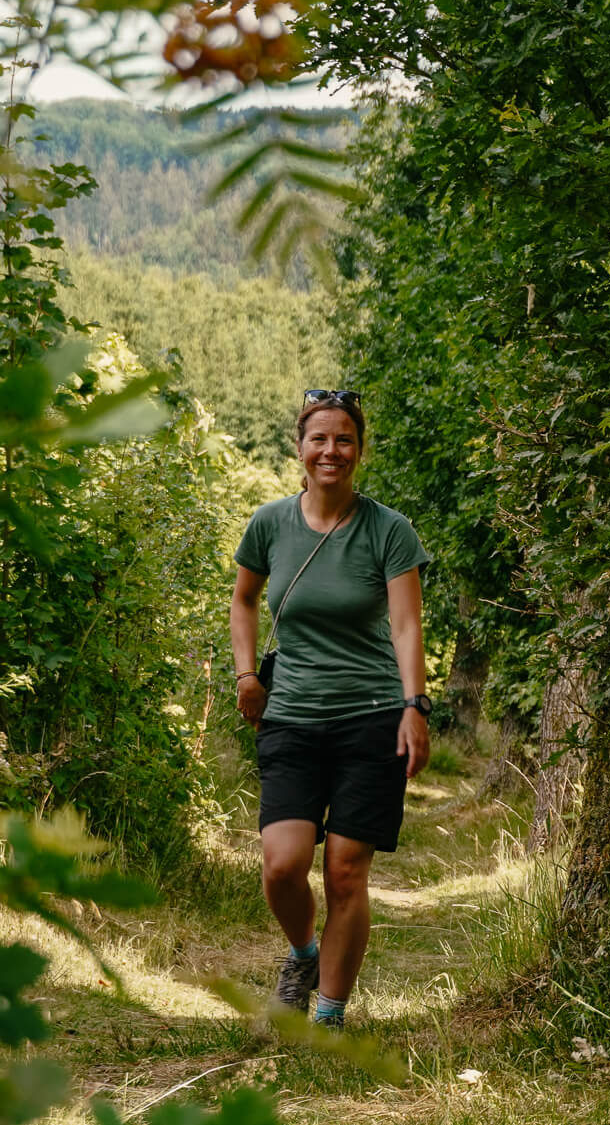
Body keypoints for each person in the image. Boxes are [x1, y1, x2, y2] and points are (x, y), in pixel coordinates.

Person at [228, 389, 432, 1032]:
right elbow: (243, 601)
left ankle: (329, 1016)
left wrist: (415, 705)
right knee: (283, 864)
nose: (331, 451)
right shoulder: (269, 524)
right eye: (319, 439)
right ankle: (302, 954)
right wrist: (245, 675)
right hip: (290, 713)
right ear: (299, 448)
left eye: (344, 440)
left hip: (371, 716)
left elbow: (405, 625)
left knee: (346, 872)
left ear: (359, 451)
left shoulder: (389, 529)